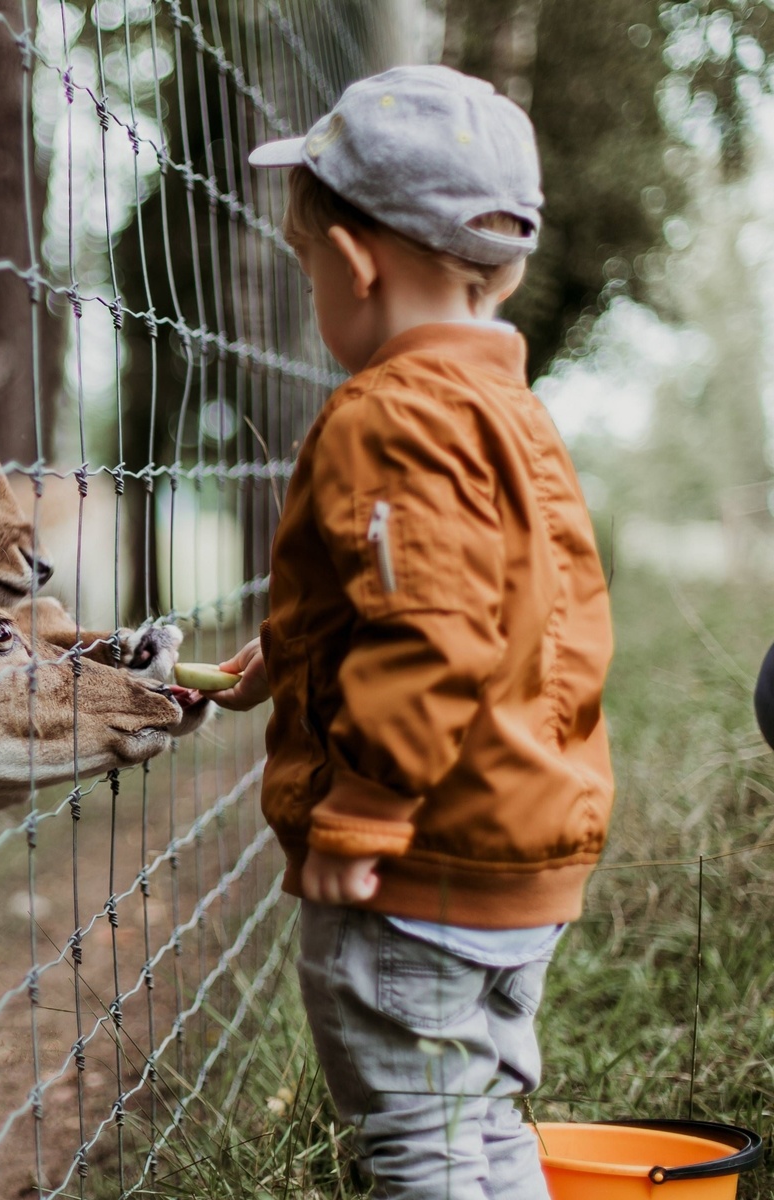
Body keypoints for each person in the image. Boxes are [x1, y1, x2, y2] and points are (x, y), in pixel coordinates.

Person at [200, 65, 613, 1199]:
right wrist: (285, 657)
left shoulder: (387, 416)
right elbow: (504, 609)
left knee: (419, 1149)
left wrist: (369, 804)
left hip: (416, 867)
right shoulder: (511, 414)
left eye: (304, 266)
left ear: (351, 264)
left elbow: (432, 630)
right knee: (482, 1126)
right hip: (518, 856)